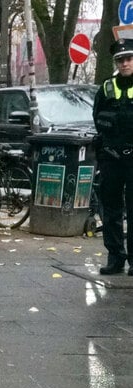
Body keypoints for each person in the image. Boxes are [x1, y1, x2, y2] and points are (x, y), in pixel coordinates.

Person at [93, 38, 133, 276]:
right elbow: (97, 116)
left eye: (128, 59)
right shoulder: (107, 88)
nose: (125, 63)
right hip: (111, 157)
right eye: (120, 60)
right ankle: (115, 257)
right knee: (111, 209)